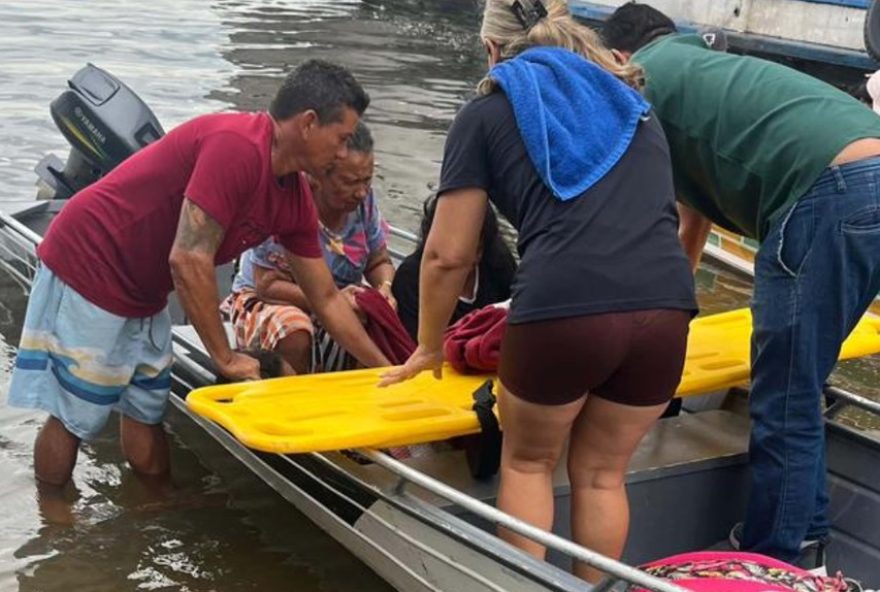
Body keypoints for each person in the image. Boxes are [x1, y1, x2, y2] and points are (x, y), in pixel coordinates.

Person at [380, 0, 697, 583]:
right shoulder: (635, 110)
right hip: (667, 309)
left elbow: (449, 253)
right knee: (602, 475)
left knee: (527, 463)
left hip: (565, 307)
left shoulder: (487, 112)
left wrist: (427, 346)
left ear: (494, 50)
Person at [7, 59, 390, 491]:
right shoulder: (238, 146)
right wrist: (224, 357)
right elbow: (188, 258)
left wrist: (387, 372)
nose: (343, 152)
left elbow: (326, 298)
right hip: (92, 262)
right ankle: (54, 526)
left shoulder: (296, 195)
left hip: (145, 288)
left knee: (146, 406)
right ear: (307, 124)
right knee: (75, 411)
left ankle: (149, 508)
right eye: (340, 139)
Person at [602, 3, 880, 568]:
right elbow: (690, 220)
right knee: (802, 379)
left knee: (783, 393)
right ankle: (810, 545)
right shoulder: (701, 70)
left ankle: (770, 563)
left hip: (827, 190)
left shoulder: (639, 87)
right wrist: (673, 315)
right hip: (866, 176)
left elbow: (627, 223)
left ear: (618, 58)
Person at [226, 121, 396, 373]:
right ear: (316, 176)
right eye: (350, 182)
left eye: (367, 180)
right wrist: (334, 301)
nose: (361, 192)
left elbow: (379, 261)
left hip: (338, 297)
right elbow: (268, 286)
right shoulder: (286, 200)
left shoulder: (364, 202)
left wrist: (385, 290)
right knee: (295, 328)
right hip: (272, 299)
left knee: (376, 322)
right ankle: (295, 401)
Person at [392, 196, 517, 341]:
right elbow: (413, 345)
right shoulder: (410, 278)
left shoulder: (498, 263)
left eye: (477, 248)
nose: (470, 258)